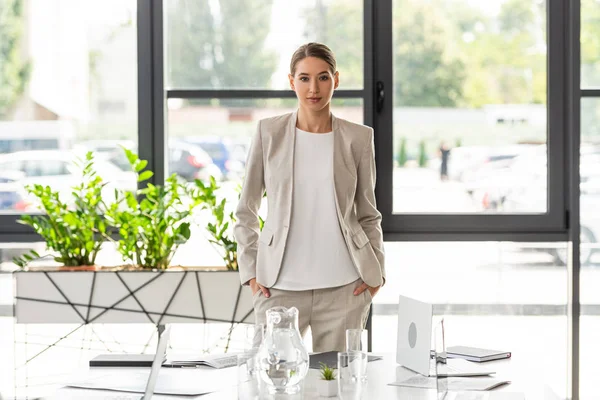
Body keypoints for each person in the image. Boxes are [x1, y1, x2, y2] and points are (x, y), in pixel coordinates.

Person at [234, 42, 385, 352]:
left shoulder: (359, 138)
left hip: (346, 288)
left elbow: (368, 213)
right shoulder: (268, 133)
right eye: (304, 78)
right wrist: (251, 273)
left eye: (323, 77)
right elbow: (246, 210)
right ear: (292, 81)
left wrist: (376, 273)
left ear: (336, 80)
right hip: (278, 288)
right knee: (271, 384)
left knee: (339, 388)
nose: (313, 88)